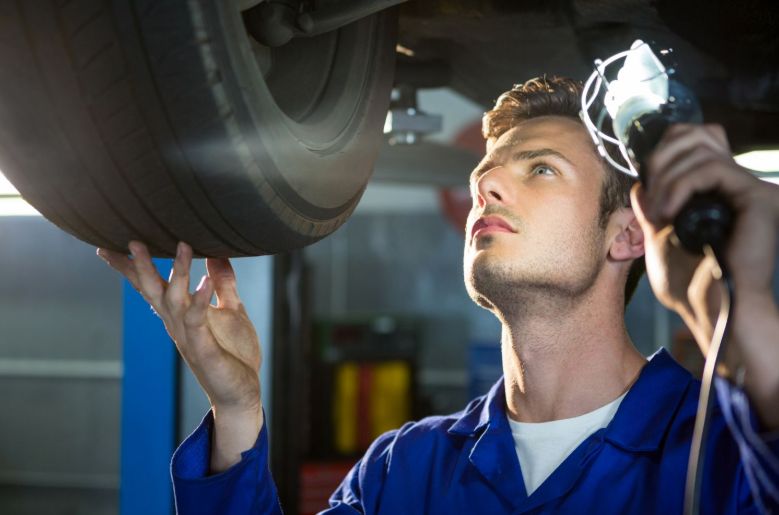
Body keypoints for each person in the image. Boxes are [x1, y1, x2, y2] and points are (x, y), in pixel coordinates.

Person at [97, 76, 779, 514]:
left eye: (539, 168)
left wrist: (742, 308)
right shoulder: (404, 470)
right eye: (487, 173)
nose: (487, 186)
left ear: (627, 232)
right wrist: (237, 412)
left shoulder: (717, 451)